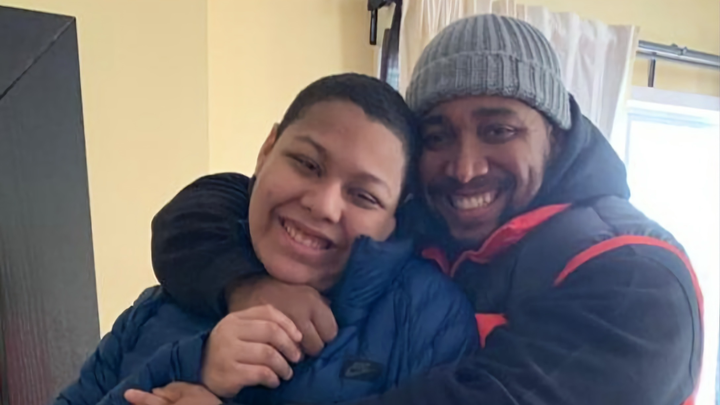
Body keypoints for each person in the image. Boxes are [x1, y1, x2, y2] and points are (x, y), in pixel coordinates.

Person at [146, 14, 704, 405]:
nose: (465, 167)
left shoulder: (636, 276)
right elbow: (202, 211)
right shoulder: (427, 218)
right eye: (438, 136)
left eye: (498, 130)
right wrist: (248, 287)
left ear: (555, 135)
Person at [53, 74, 479, 405]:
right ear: (266, 150)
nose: (323, 205)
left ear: (395, 217)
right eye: (307, 164)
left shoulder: (427, 320)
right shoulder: (169, 295)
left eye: (364, 196)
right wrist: (195, 362)